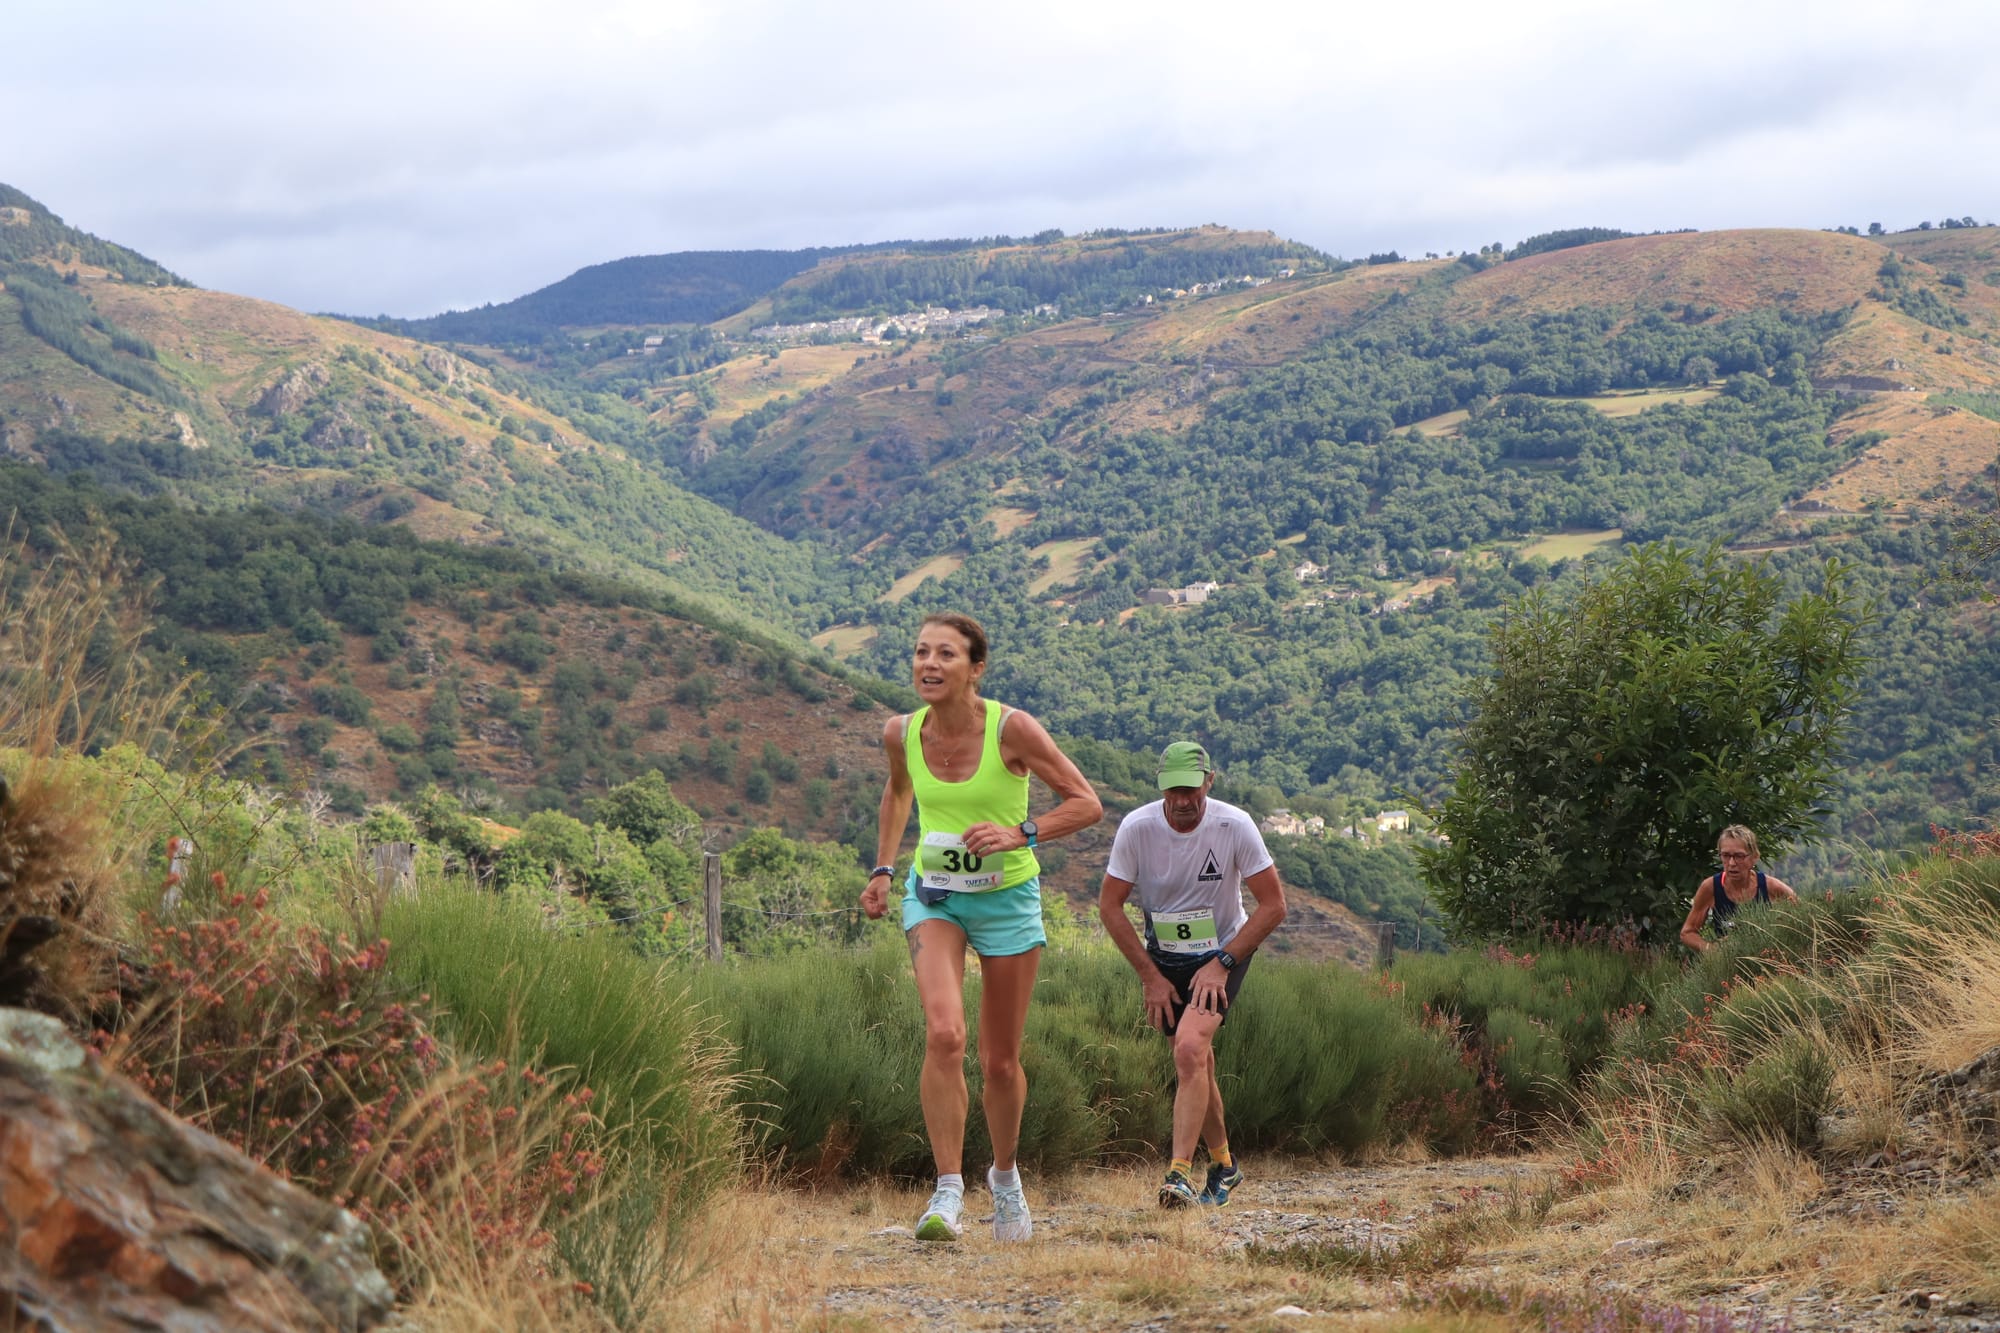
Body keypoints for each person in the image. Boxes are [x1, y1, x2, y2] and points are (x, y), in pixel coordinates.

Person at [859, 612, 1102, 1244]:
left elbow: (1086, 802)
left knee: (999, 1063)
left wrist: (1019, 833)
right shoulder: (901, 731)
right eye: (920, 653)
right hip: (934, 895)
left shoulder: (1012, 729)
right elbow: (897, 792)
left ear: (976, 668)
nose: (929, 664)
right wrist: (885, 869)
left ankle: (1005, 1181)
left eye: (945, 654)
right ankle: (946, 1192)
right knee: (944, 1034)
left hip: (1007, 898)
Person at [1097, 741, 1287, 1209]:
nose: (1181, 801)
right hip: (1163, 958)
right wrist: (1150, 976)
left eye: (1190, 790)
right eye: (1171, 791)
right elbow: (1109, 906)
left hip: (1223, 953)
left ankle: (1178, 1173)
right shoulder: (1137, 827)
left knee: (1188, 1048)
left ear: (1209, 781)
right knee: (1195, 1064)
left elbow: (1274, 905)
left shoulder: (1234, 825)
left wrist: (1222, 964)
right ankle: (1225, 1165)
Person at [1678, 824, 1798, 952]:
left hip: (1766, 962)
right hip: (1727, 965)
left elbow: (1803, 920)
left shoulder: (1772, 887)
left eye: (1739, 856)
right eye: (1725, 855)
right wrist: (1711, 949)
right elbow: (1687, 933)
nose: (1731, 863)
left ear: (1754, 857)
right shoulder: (1711, 887)